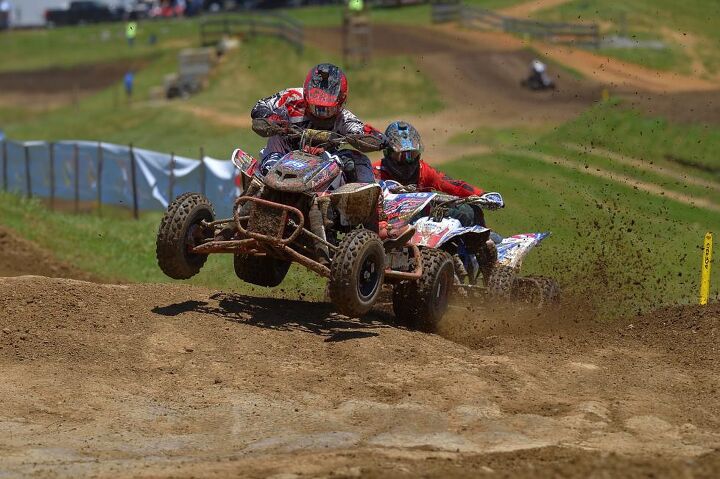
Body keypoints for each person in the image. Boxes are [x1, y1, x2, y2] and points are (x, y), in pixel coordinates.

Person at [250, 63, 384, 184]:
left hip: (324, 162)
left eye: (328, 110)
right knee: (265, 168)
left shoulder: (345, 118)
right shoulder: (291, 97)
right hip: (282, 154)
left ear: (341, 102)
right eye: (316, 108)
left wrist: (372, 137)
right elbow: (260, 106)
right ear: (306, 97)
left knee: (359, 161)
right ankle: (254, 194)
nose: (322, 114)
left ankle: (365, 204)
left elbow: (360, 130)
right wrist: (274, 120)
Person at [373, 120, 487, 227]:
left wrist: (482, 195)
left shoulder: (423, 169)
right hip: (389, 225)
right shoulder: (374, 172)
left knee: (470, 211)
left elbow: (453, 185)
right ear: (388, 152)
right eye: (401, 156)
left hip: (425, 223)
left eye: (412, 155)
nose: (407, 161)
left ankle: (484, 243)